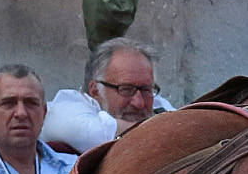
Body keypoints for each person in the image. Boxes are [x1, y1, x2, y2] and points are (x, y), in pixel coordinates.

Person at [42, 37, 175, 154]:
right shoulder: (68, 109)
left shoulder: (157, 102)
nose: (138, 102)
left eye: (146, 89)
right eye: (126, 89)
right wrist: (161, 129)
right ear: (95, 90)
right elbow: (90, 133)